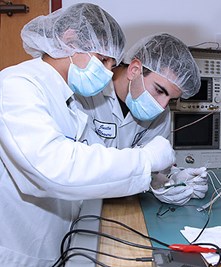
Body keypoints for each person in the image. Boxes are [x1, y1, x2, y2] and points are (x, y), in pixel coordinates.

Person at [0, 3, 176, 266]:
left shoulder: (68, 98)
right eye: (103, 60)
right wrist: (145, 159)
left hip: (54, 243)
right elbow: (54, 169)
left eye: (111, 64)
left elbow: (92, 160)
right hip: (18, 251)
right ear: (70, 39)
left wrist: (163, 180)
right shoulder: (16, 85)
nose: (106, 73)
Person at [75, 33, 208, 206]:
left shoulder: (160, 115)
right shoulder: (87, 93)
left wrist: (171, 180)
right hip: (79, 206)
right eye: (160, 90)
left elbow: (154, 167)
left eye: (172, 100)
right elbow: (81, 167)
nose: (162, 105)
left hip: (123, 207)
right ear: (135, 69)